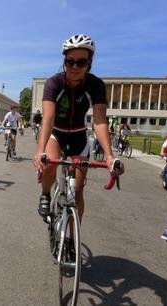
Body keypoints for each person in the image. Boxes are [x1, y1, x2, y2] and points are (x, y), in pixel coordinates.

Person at [33, 34, 120, 241]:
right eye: (70, 61)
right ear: (64, 61)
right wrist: (40, 150)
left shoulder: (95, 85)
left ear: (89, 64)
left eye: (81, 62)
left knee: (77, 192)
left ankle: (71, 240)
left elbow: (99, 121)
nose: (74, 67)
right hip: (57, 134)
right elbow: (49, 118)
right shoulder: (54, 83)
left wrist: (109, 156)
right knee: (50, 164)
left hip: (80, 138)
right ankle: (46, 194)